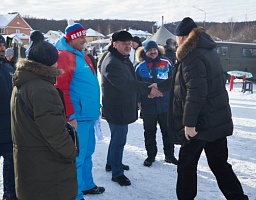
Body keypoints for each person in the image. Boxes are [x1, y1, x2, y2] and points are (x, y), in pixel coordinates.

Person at [151, 17, 248, 200]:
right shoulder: (207, 50)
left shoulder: (192, 56)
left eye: (179, 37)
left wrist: (189, 124)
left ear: (185, 37)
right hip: (216, 120)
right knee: (220, 165)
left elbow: (195, 92)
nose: (177, 41)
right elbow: (183, 81)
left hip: (200, 124)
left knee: (186, 167)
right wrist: (160, 86)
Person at [10, 30, 78, 200]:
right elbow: (54, 132)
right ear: (51, 62)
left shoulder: (23, 82)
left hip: (31, 163)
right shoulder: (42, 89)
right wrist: (71, 151)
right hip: (47, 168)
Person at [101, 31, 162, 186]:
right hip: (117, 108)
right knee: (119, 140)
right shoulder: (112, 62)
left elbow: (132, 80)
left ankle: (111, 163)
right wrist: (148, 89)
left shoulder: (122, 58)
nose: (128, 46)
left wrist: (140, 97)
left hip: (123, 106)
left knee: (117, 138)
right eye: (124, 44)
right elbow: (126, 83)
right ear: (115, 44)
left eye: (130, 44)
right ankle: (117, 173)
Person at [54, 22, 105, 200]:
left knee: (88, 152)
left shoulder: (83, 56)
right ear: (71, 39)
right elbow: (61, 89)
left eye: (84, 36)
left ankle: (86, 184)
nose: (84, 39)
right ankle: (74, 194)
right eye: (80, 37)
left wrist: (96, 108)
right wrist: (70, 115)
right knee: (77, 156)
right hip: (77, 117)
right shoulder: (65, 56)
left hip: (88, 116)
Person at [135, 40, 178, 167]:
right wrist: (139, 101)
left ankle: (169, 155)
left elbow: (173, 80)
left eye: (154, 49)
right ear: (145, 51)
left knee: (167, 131)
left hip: (165, 105)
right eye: (149, 50)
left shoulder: (167, 63)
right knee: (149, 132)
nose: (153, 52)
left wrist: (162, 92)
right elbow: (136, 86)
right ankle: (151, 156)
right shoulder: (139, 67)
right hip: (148, 106)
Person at [0, 35, 17, 200]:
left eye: (3, 45)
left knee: (11, 162)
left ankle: (10, 194)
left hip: (9, 125)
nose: (2, 48)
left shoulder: (8, 68)